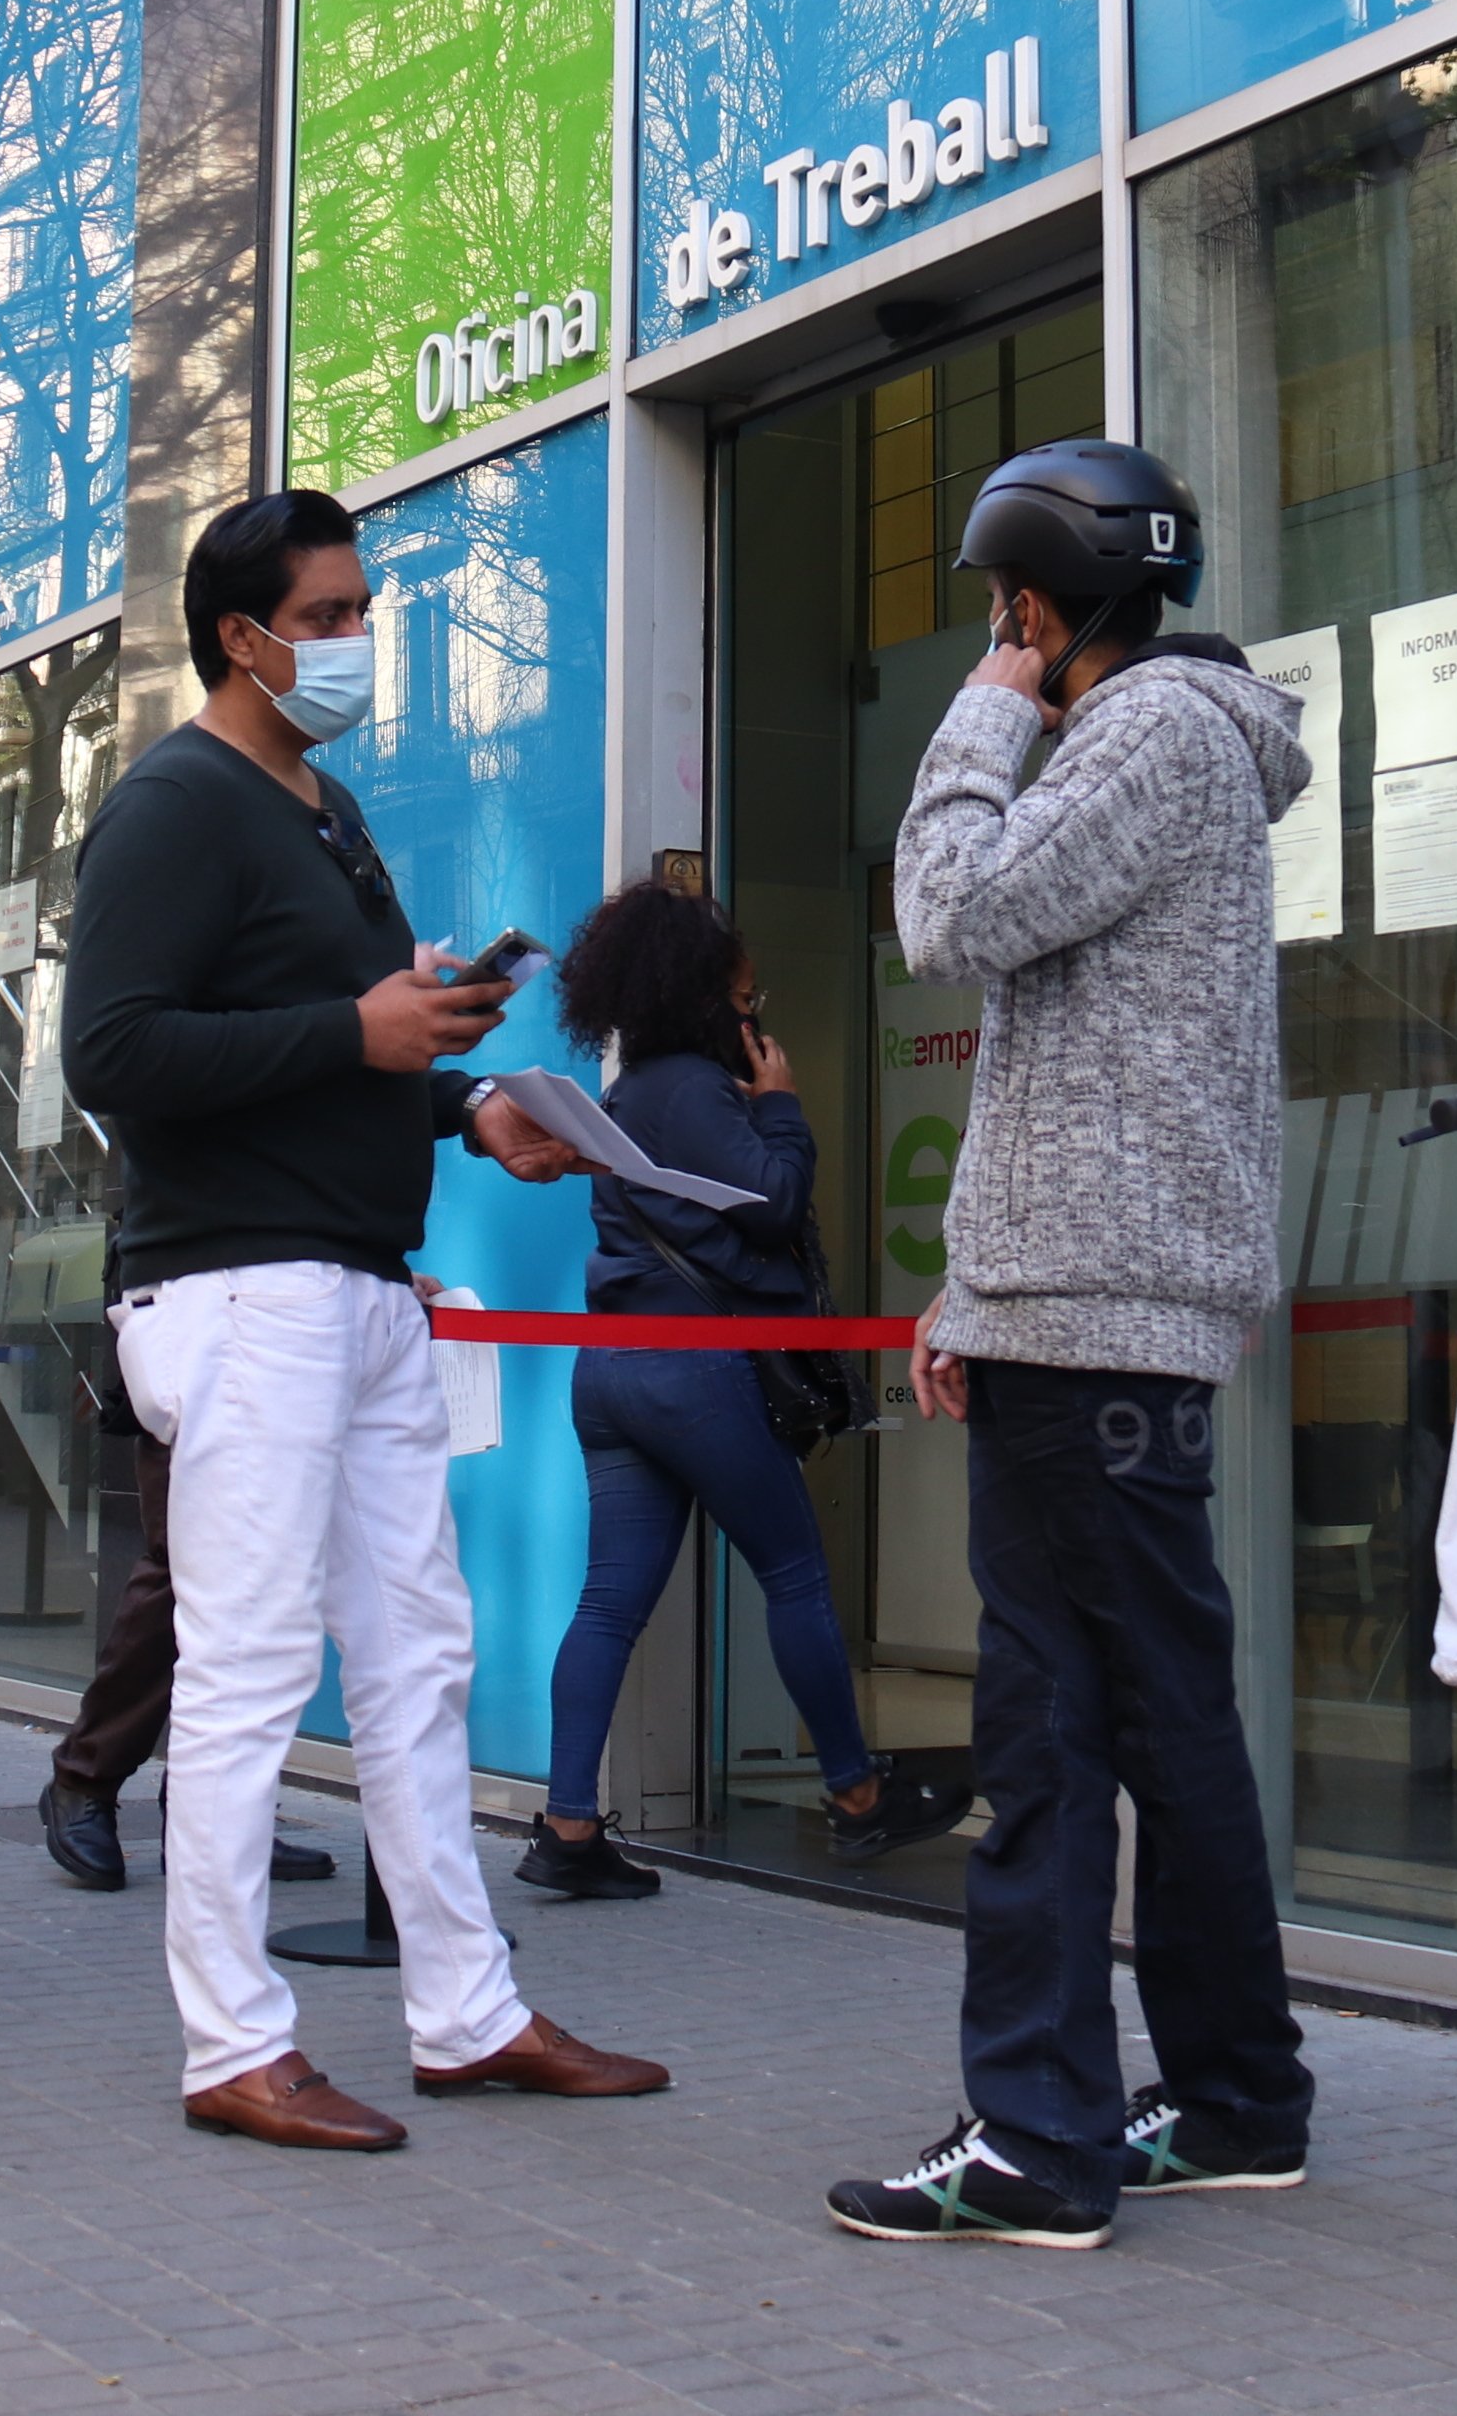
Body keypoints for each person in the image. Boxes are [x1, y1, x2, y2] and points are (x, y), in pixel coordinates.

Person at [63, 490, 667, 2151]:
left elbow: (345, 1050)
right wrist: (354, 1026)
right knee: (250, 1667)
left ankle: (465, 2010)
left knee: (418, 1657)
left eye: (358, 605)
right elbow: (109, 1058)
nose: (355, 636)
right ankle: (229, 2040)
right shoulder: (173, 807)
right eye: (326, 612)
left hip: (361, 1285)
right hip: (241, 1291)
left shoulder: (322, 807)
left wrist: (465, 1095)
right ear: (243, 637)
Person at [827, 441, 1319, 2250]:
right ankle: (1241, 2092)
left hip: (1093, 1327)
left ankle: (1037, 2140)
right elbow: (1077, 1053)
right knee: (1166, 1717)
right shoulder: (1181, 745)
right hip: (1084, 1309)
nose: (989, 637)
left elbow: (950, 914)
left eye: (996, 612)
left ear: (1033, 605)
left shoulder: (1141, 738)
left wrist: (974, 718)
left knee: (1044, 1739)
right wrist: (976, 1289)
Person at [518, 881, 970, 1902]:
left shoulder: (628, 1089)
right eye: (747, 1002)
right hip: (694, 1374)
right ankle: (857, 1799)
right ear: (702, 998)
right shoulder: (690, 1086)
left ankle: (569, 1821)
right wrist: (782, 1109)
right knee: (796, 1576)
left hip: (614, 1371)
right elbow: (770, 1201)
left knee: (608, 1601)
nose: (753, 1021)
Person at [33, 1356, 336, 1892]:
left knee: (268, 1590)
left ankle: (218, 1816)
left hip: (288, 1360)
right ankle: (84, 1777)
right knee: (180, 1574)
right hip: (197, 1339)